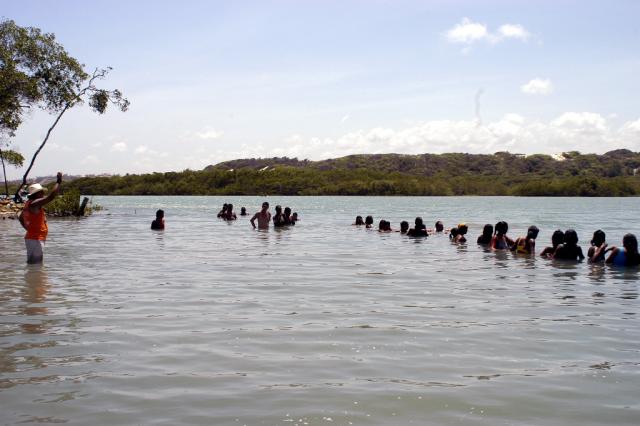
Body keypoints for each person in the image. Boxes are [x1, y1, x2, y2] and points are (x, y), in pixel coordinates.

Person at [18, 172, 62, 264]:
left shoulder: (29, 204)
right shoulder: (34, 203)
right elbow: (51, 197)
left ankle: (32, 277)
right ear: (37, 194)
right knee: (36, 265)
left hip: (33, 238)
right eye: (42, 192)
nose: (43, 194)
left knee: (33, 264)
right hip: (35, 239)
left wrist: (28, 229)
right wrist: (58, 181)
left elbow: (20, 217)